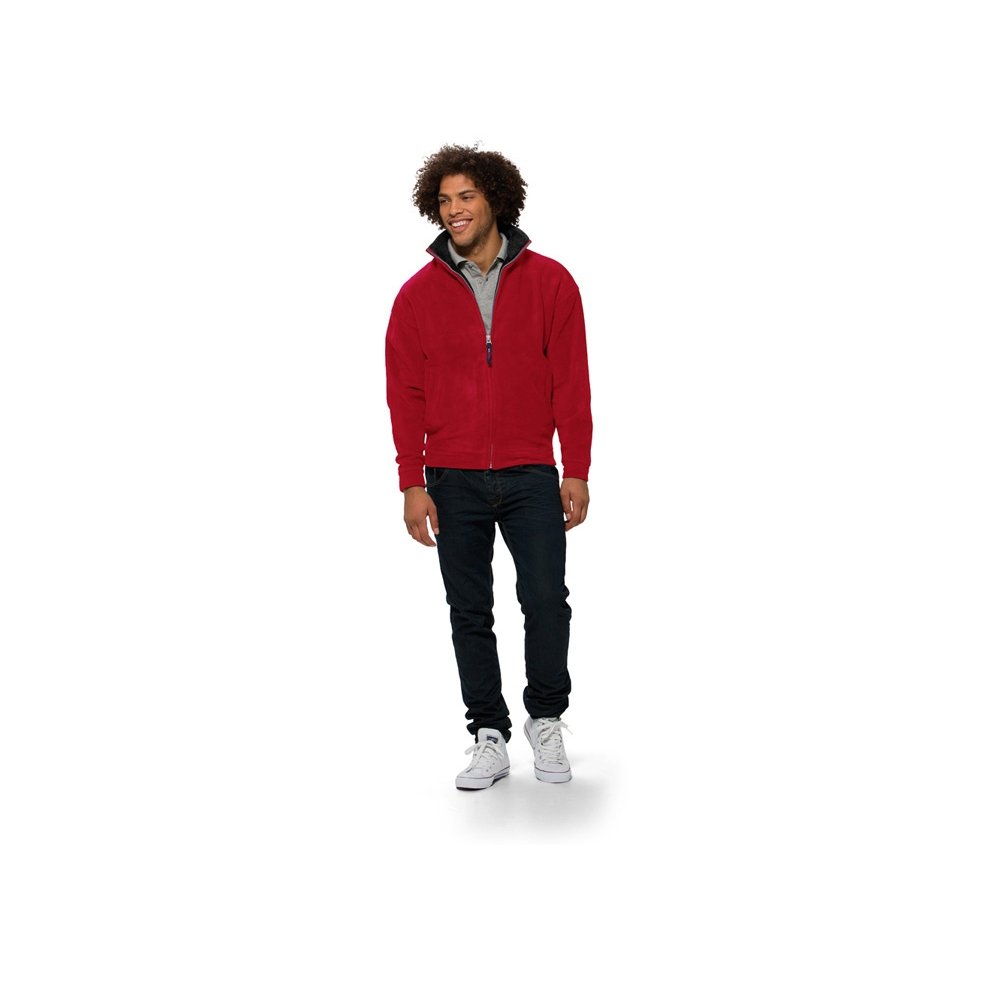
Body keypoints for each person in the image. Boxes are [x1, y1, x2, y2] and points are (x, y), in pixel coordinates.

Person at [385, 144, 592, 790]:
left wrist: (576, 467)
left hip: (531, 472)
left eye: (466, 197)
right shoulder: (416, 296)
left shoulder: (551, 282)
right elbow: (404, 393)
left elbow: (572, 382)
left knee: (546, 600)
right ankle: (489, 734)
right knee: (469, 611)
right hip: (452, 477)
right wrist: (412, 481)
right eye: (444, 200)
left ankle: (546, 718)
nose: (454, 210)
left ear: (495, 200)